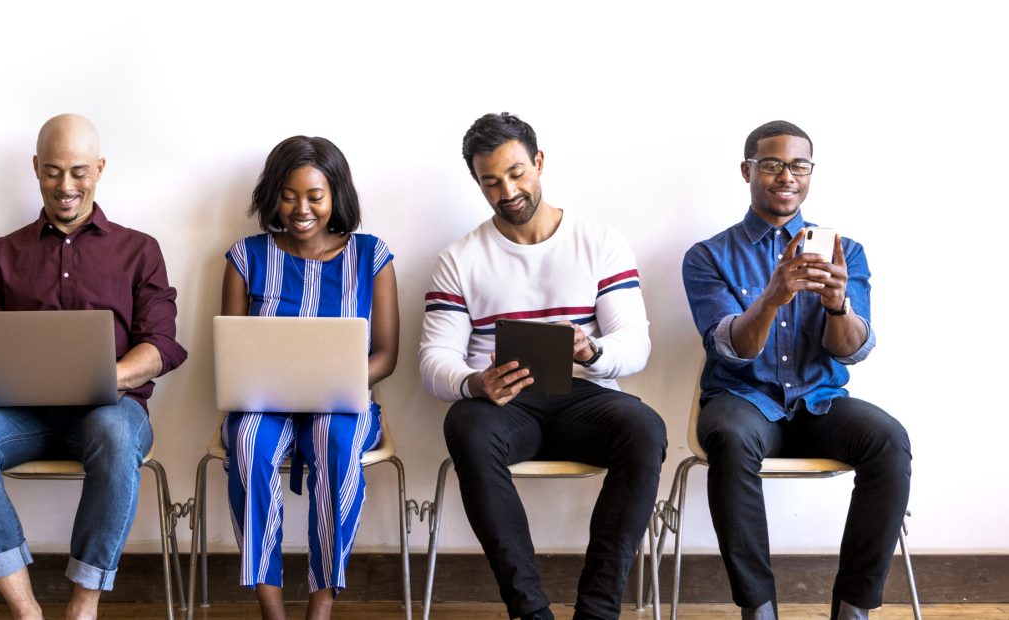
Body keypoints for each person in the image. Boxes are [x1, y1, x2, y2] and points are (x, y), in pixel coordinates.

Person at [0, 114, 188, 620]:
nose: (66, 186)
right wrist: (8, 371)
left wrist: (104, 377)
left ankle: (83, 605)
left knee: (116, 437)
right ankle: (26, 609)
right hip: (21, 417)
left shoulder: (140, 250)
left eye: (79, 171)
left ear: (99, 168)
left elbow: (160, 344)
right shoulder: (0, 254)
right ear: (35, 168)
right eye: (52, 171)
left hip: (109, 411)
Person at [418, 113, 666, 620]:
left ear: (539, 162)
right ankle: (530, 613)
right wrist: (474, 381)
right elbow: (433, 360)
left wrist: (592, 352)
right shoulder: (459, 258)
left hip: (587, 400)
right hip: (508, 407)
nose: (507, 190)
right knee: (465, 424)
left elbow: (634, 345)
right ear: (477, 183)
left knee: (645, 428)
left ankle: (598, 611)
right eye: (491, 181)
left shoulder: (600, 242)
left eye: (516, 173)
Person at [682, 120, 912, 620]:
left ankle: (854, 608)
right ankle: (759, 609)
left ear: (810, 173)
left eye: (799, 165)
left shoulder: (845, 252)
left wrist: (836, 306)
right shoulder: (707, 256)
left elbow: (852, 351)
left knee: (888, 440)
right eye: (772, 164)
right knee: (730, 437)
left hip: (820, 403)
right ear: (747, 170)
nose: (787, 176)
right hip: (745, 402)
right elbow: (731, 351)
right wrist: (772, 298)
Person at [220, 136, 399, 620]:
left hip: (340, 401)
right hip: (262, 403)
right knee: (250, 445)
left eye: (315, 196)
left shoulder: (370, 255)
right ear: (272, 196)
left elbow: (386, 354)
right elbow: (230, 352)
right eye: (289, 195)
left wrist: (339, 379)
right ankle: (271, 609)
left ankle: (320, 607)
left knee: (337, 445)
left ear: (335, 195)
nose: (302, 209)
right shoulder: (245, 256)